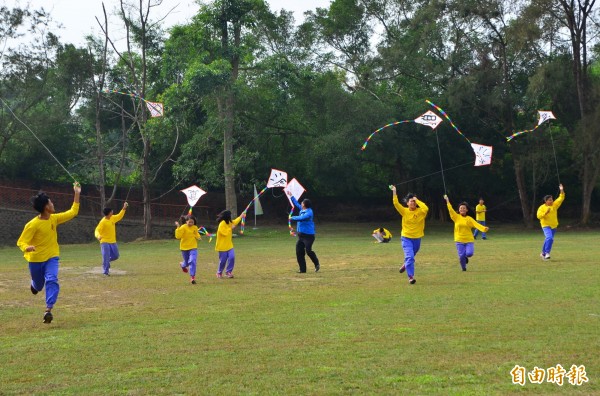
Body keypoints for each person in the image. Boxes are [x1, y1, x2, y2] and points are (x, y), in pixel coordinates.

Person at [17, 182, 81, 324]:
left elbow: (73, 212)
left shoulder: (54, 218)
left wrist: (77, 193)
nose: (53, 204)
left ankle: (48, 309)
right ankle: (34, 284)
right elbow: (21, 241)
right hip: (35, 260)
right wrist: (26, 247)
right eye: (51, 202)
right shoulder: (32, 224)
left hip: (52, 257)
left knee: (52, 279)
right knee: (39, 286)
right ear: (46, 207)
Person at [392, 186, 428, 284]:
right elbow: (396, 203)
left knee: (410, 257)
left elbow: (426, 208)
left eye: (414, 201)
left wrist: (418, 200)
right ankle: (411, 277)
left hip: (417, 239)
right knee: (410, 257)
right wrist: (394, 191)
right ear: (407, 203)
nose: (413, 202)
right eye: (411, 201)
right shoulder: (404, 211)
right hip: (406, 238)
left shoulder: (421, 212)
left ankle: (405, 264)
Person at [444, 195, 489, 271]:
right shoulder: (456, 217)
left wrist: (484, 228)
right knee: (461, 256)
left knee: (469, 253)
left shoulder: (469, 219)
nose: (462, 209)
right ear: (459, 209)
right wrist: (447, 200)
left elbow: (476, 224)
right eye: (461, 208)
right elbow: (450, 210)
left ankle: (465, 258)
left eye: (464, 208)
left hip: (469, 240)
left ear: (467, 210)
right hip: (459, 240)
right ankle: (463, 268)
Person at [287, 191, 320, 273]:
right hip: (301, 236)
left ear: (304, 205)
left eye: (302, 202)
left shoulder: (309, 212)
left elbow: (302, 218)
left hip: (308, 236)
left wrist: (292, 218)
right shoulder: (302, 209)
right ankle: (302, 270)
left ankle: (316, 263)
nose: (301, 203)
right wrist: (291, 196)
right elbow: (296, 204)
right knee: (299, 252)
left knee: (308, 251)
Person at [94, 202, 128, 276]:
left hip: (113, 241)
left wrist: (124, 208)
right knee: (106, 256)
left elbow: (119, 216)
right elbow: (97, 230)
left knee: (116, 256)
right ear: (109, 213)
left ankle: (106, 261)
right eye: (111, 211)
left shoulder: (112, 218)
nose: (112, 212)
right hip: (104, 242)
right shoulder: (103, 222)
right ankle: (105, 272)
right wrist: (98, 236)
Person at [536, 184, 565, 260]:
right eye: (549, 200)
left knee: (548, 239)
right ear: (545, 201)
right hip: (545, 225)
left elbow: (561, 198)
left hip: (554, 225)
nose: (551, 201)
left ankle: (543, 253)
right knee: (550, 238)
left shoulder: (554, 205)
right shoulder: (542, 207)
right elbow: (538, 216)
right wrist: (545, 213)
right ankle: (547, 253)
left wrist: (561, 189)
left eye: (552, 199)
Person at [215, 210, 244, 278]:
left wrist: (241, 216)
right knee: (223, 261)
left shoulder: (229, 222)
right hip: (222, 246)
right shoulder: (222, 223)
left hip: (229, 245)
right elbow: (224, 233)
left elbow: (235, 222)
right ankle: (219, 272)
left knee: (232, 257)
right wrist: (230, 228)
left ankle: (228, 272)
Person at [175, 214, 202, 284]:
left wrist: (198, 237)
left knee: (192, 261)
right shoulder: (183, 227)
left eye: (192, 222)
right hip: (184, 248)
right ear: (186, 221)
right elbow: (178, 236)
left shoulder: (195, 227)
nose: (191, 223)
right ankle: (182, 265)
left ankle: (192, 277)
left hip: (193, 247)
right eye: (189, 222)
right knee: (187, 263)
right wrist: (178, 227)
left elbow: (196, 234)